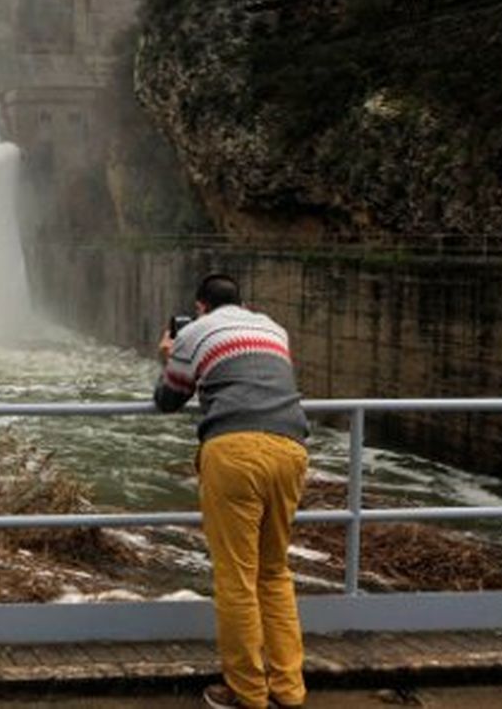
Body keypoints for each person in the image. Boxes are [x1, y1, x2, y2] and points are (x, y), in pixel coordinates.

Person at [154, 273, 310, 709]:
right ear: (241, 304)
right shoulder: (273, 328)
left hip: (235, 449)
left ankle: (247, 692)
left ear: (201, 306)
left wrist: (168, 353)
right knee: (275, 572)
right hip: (291, 448)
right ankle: (289, 690)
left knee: (237, 578)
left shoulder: (195, 332)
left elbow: (168, 398)